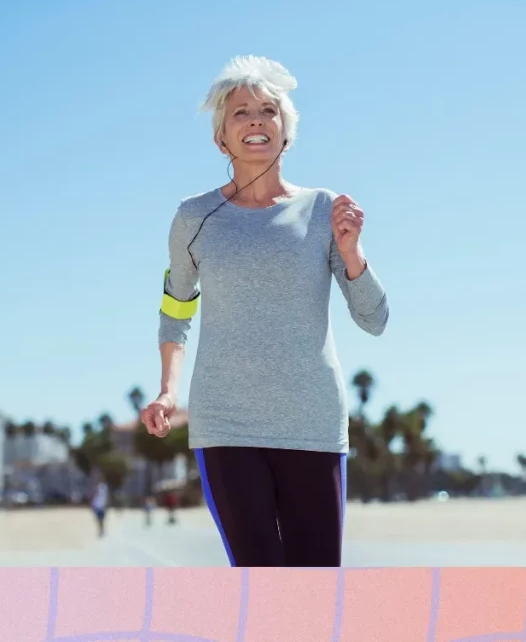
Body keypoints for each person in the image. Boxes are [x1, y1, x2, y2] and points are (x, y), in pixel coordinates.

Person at [140, 56, 389, 568]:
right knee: (259, 581)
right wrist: (168, 388)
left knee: (316, 583)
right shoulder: (194, 217)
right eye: (241, 113)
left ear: (286, 132)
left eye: (268, 111)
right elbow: (176, 306)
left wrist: (352, 254)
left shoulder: (324, 210)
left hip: (312, 423)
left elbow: (375, 319)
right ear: (221, 140)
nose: (256, 119)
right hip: (226, 425)